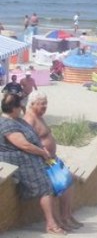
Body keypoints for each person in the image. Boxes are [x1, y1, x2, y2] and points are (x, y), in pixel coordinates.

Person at [0, 94, 65, 235]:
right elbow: (23, 144)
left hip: (33, 159)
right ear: (14, 108)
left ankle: (61, 219)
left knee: (60, 182)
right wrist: (42, 152)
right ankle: (51, 224)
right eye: (20, 106)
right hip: (21, 161)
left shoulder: (16, 120)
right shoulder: (6, 124)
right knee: (46, 187)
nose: (22, 108)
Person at [23, 91, 83, 233]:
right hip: (42, 161)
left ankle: (66, 216)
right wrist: (43, 152)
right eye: (42, 104)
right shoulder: (29, 119)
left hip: (52, 159)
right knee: (60, 186)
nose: (45, 106)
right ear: (32, 104)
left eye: (46, 103)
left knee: (68, 182)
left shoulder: (39, 116)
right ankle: (58, 221)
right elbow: (28, 141)